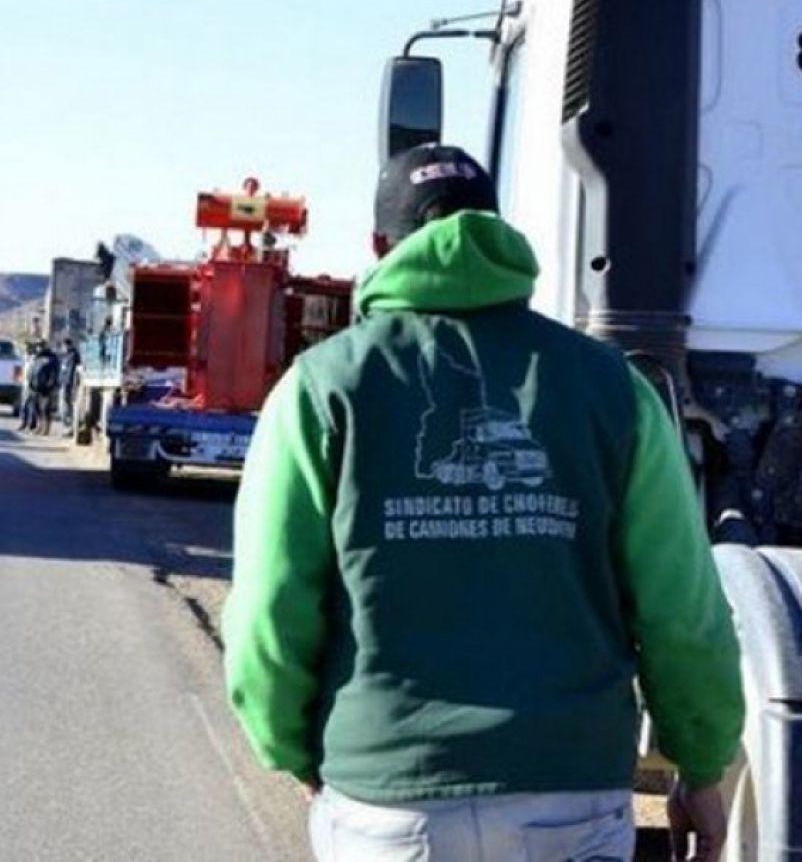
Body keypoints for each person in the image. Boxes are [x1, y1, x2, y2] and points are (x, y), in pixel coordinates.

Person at [223, 145, 743, 861]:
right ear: (497, 230)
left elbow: (268, 613)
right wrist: (701, 765)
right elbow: (682, 610)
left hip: (389, 799)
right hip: (572, 790)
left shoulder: (320, 388)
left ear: (380, 248)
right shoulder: (615, 389)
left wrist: (292, 750)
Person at [58, 338, 82, 433]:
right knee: (62, 405)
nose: (63, 348)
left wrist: (68, 384)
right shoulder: (65, 356)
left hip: (68, 384)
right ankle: (66, 426)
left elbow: (70, 371)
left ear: (68, 345)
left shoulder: (73, 356)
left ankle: (69, 426)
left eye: (64, 346)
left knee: (66, 405)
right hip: (63, 383)